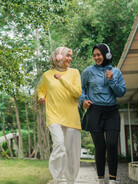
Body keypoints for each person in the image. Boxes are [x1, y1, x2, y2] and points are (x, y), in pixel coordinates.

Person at [79, 43, 126, 184]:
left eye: (99, 54)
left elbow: (121, 92)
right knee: (100, 147)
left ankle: (112, 179)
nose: (96, 57)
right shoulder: (88, 71)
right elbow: (81, 88)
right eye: (94, 55)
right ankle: (100, 178)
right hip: (95, 111)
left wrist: (112, 80)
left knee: (111, 144)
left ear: (107, 55)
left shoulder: (116, 72)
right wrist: (83, 101)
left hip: (111, 112)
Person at [38, 46, 82, 184]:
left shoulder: (75, 72)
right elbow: (41, 89)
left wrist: (61, 79)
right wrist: (41, 96)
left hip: (71, 117)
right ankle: (57, 179)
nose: (69, 58)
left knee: (71, 152)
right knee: (59, 145)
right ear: (58, 56)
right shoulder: (47, 75)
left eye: (70, 56)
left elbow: (77, 93)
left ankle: (70, 181)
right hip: (54, 115)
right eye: (67, 55)